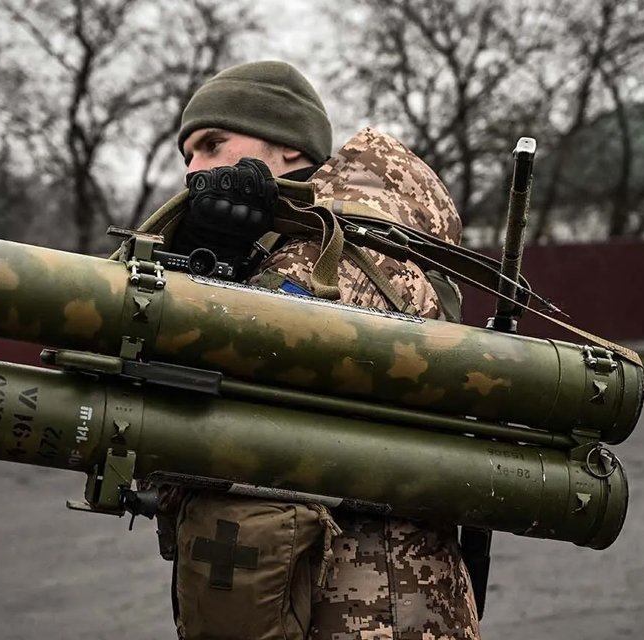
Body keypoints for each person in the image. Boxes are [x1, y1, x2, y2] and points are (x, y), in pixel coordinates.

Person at [162, 60, 480, 640]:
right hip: (325, 591)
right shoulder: (286, 247)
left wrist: (214, 283)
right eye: (187, 157)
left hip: (374, 603)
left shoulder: (351, 249)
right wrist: (212, 262)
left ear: (287, 148)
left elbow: (255, 377)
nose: (196, 169)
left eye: (213, 144)